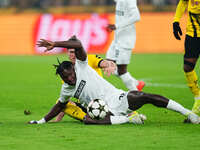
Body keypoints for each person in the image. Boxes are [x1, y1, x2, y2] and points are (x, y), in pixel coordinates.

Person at [28, 36, 200, 125]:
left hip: (116, 98)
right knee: (88, 120)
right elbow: (59, 104)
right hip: (103, 111)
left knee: (144, 96)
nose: (71, 78)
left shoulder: (81, 65)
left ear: (73, 68)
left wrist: (56, 43)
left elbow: (78, 43)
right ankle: (129, 119)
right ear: (63, 78)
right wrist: (41, 121)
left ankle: (188, 113)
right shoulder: (66, 89)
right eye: (67, 78)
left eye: (71, 74)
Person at [37, 39, 117, 122]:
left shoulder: (87, 59)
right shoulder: (66, 75)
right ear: (67, 53)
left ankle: (95, 119)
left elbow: (102, 62)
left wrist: (109, 65)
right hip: (89, 106)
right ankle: (87, 118)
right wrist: (58, 119)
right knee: (60, 102)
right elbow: (65, 97)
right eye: (71, 52)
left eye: (75, 52)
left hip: (104, 98)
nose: (74, 55)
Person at [106, 0, 145, 91]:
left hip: (126, 40)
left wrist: (117, 26)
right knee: (108, 65)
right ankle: (136, 83)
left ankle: (136, 95)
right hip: (117, 39)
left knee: (121, 71)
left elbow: (136, 17)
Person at [172, 0, 200, 117]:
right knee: (188, 67)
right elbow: (183, 2)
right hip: (192, 34)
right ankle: (198, 98)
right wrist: (176, 21)